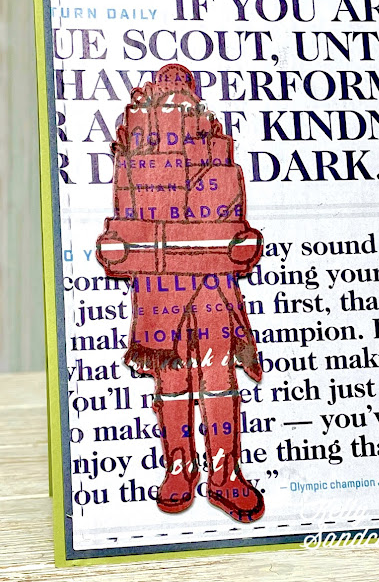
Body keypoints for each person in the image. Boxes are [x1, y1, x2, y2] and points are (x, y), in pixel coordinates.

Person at [96, 63, 265, 522]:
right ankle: (178, 466)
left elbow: (235, 233)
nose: (176, 106)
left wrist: (231, 247)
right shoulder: (135, 159)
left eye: (184, 95)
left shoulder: (220, 156)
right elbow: (123, 236)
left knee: (217, 378)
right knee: (171, 381)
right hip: (160, 293)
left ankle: (225, 474)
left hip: (212, 291)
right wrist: (134, 247)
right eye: (167, 95)